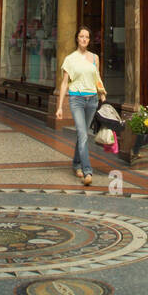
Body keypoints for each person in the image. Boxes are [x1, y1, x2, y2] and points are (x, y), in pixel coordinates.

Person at [55, 26, 107, 186]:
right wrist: (59, 106)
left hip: (92, 100)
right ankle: (87, 171)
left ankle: (76, 164)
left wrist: (102, 92)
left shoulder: (94, 58)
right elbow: (64, 83)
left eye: (87, 37)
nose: (84, 39)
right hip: (76, 99)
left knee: (82, 134)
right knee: (83, 134)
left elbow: (96, 76)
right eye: (81, 36)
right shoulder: (70, 59)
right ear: (77, 38)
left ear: (89, 40)